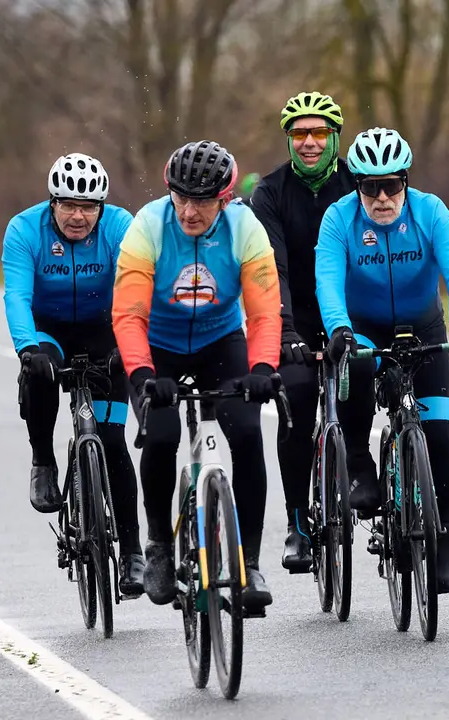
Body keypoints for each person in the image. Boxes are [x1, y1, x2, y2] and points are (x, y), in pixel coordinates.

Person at [112, 139, 283, 613]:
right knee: (162, 434)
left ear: (224, 200)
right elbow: (128, 315)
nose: (188, 211)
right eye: (181, 198)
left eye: (202, 202)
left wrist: (263, 368)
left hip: (219, 341)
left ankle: (248, 563)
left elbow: (264, 314)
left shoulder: (245, 228)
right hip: (157, 347)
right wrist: (143, 375)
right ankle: (159, 546)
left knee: (246, 431)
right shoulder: (148, 226)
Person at [314, 126, 449, 594]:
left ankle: (444, 537)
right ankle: (359, 461)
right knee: (357, 365)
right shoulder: (339, 218)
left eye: (391, 185)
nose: (382, 197)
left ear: (405, 181)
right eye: (371, 187)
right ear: (357, 186)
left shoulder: (430, 212)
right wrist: (339, 330)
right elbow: (328, 279)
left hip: (424, 328)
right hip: (363, 329)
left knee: (440, 438)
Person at [1, 152, 145, 597]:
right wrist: (27, 348)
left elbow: (137, 287)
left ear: (102, 207)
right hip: (50, 331)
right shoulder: (24, 230)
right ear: (52, 203)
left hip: (106, 330)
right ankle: (43, 459)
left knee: (113, 440)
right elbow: (16, 296)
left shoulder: (121, 227)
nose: (78, 216)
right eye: (68, 205)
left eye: (87, 207)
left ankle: (133, 554)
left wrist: (130, 343)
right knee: (39, 372)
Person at [248, 90, 356, 573]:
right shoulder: (270, 192)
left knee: (362, 394)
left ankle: (364, 474)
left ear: (335, 138)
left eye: (318, 133)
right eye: (299, 134)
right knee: (295, 403)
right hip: (294, 316)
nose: (308, 142)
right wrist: (286, 330)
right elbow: (273, 269)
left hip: (348, 314)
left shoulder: (357, 184)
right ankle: (297, 522)